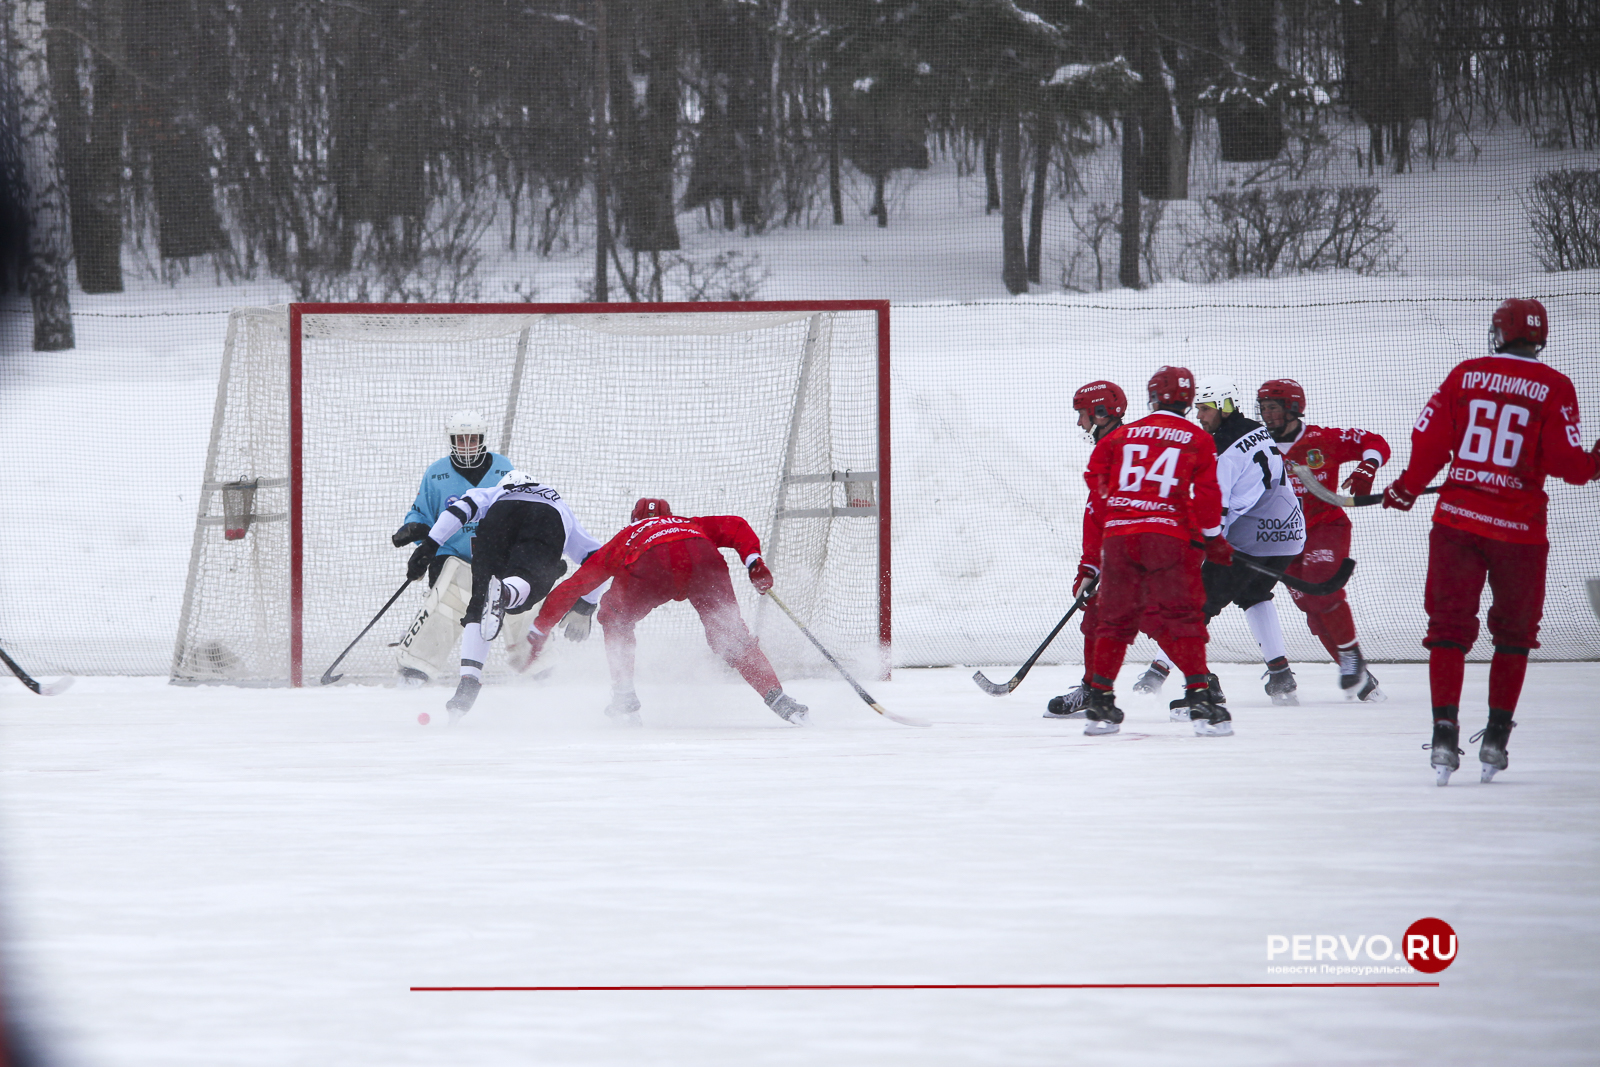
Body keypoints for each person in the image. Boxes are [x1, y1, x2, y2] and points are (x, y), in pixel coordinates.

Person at [1384, 298, 1600, 785]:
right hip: (1519, 532)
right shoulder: (1555, 386)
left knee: (1447, 627)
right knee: (1514, 634)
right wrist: (1596, 462)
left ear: (1499, 333)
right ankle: (1498, 735)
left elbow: (1431, 442)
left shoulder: (1466, 373)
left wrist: (1407, 488)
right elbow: (1568, 465)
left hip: (1458, 522)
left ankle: (1444, 731)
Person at [519, 498, 808, 728]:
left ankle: (624, 696)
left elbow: (575, 585)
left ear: (635, 521)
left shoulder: (629, 535)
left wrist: (539, 629)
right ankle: (778, 697)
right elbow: (736, 526)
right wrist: (753, 561)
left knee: (614, 616)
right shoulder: (689, 523)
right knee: (731, 637)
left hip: (650, 565)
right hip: (701, 556)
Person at [1133, 378, 1307, 708]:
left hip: (1250, 540)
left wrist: (1200, 546)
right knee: (1254, 594)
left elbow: (1219, 507)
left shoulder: (1221, 449)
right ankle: (1281, 674)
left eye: (1205, 409)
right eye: (1197, 407)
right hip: (1289, 533)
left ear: (1225, 407)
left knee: (1194, 604)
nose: (1199, 415)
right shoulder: (1256, 428)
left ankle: (1157, 673)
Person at [1079, 366, 1233, 737]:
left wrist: (1096, 554)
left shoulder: (1120, 438)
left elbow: (1096, 487)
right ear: (1188, 400)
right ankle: (1201, 698)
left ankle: (1100, 702)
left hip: (1120, 540)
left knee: (1114, 620)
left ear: (1151, 396)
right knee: (1182, 618)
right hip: (1166, 540)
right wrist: (1212, 540)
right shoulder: (1197, 437)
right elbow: (1208, 496)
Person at [406, 470, 605, 723]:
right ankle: (508, 594)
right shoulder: (558, 504)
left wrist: (429, 546)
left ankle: (468, 683)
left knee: (478, 603)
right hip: (547, 519)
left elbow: (458, 511)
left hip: (500, 515)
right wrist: (587, 604)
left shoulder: (496, 492)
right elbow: (598, 558)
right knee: (531, 579)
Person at [1258, 378, 1389, 701]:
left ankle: (1351, 653)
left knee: (1323, 588)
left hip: (1325, 528)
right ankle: (1362, 680)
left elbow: (1375, 441)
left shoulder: (1323, 439)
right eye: (1262, 408)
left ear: (1293, 408)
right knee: (1312, 612)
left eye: (1273, 407)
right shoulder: (1257, 444)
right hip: (1282, 540)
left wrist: (1367, 466)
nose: (1266, 415)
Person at [389, 410, 518, 686]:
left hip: (497, 557)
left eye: (473, 439)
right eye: (461, 439)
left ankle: (539, 666)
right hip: (451, 557)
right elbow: (421, 513)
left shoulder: (503, 468)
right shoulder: (436, 474)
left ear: (482, 440)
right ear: (452, 440)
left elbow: (522, 509)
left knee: (520, 602)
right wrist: (414, 529)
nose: (467, 445)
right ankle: (416, 669)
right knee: (447, 606)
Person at [1045, 380, 1126, 720]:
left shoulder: (1118, 448)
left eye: (1083, 414)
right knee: (1097, 616)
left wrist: (1096, 563)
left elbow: (1105, 514)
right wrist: (1091, 566)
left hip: (1137, 550)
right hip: (1129, 549)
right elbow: (1097, 515)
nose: (1080, 423)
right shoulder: (1114, 446)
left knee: (1166, 619)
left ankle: (1201, 688)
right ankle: (1094, 690)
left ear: (1101, 412)